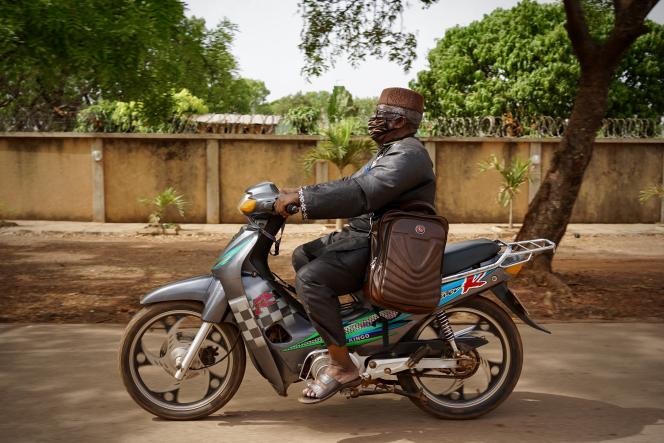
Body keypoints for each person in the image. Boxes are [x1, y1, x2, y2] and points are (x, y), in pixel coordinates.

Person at [274, 87, 436, 404]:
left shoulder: (408, 154)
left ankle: (341, 365)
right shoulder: (391, 151)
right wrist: (293, 191)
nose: (373, 120)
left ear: (399, 120)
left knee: (312, 279)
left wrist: (303, 199)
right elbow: (351, 185)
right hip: (369, 235)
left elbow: (363, 192)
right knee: (302, 255)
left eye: (380, 115)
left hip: (386, 245)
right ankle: (349, 329)